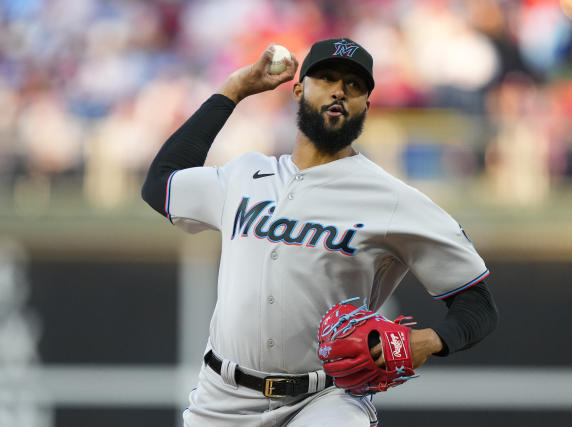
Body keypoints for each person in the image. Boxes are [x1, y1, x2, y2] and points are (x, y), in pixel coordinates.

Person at [142, 38, 498, 427]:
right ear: (298, 89)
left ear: (366, 104)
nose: (339, 90)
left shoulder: (392, 199)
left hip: (327, 398)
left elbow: (477, 302)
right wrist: (235, 90)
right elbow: (161, 184)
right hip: (222, 397)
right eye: (326, 77)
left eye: (354, 85)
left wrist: (427, 340)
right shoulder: (243, 176)